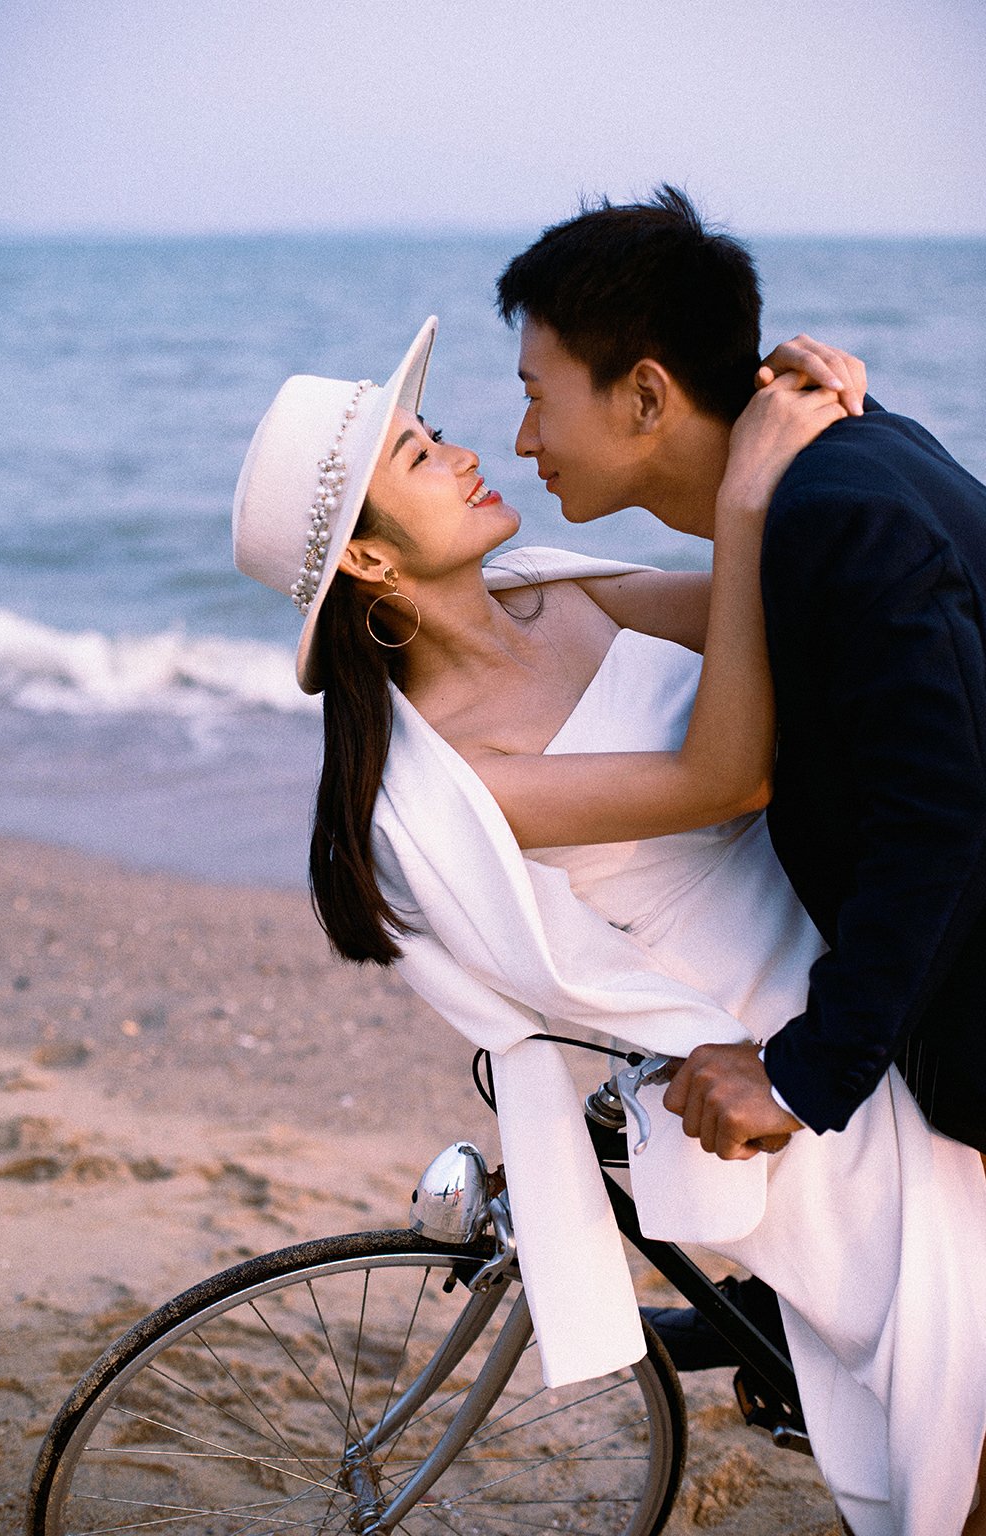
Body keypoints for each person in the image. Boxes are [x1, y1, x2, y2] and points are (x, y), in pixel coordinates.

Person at [232, 318, 986, 1535]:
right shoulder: (455, 770)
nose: (468, 454)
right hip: (767, 1037)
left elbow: (789, 605)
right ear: (367, 560)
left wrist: (803, 416)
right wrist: (740, 499)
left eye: (437, 432)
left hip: (855, 964)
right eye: (420, 457)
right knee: (952, 1385)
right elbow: (724, 776)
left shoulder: (555, 591)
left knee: (948, 1371)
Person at [495, 187, 986, 1534]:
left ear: (647, 394)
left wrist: (802, 1073)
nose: (523, 439)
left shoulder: (834, 514)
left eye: (537, 396)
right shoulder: (826, 474)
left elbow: (941, 817)